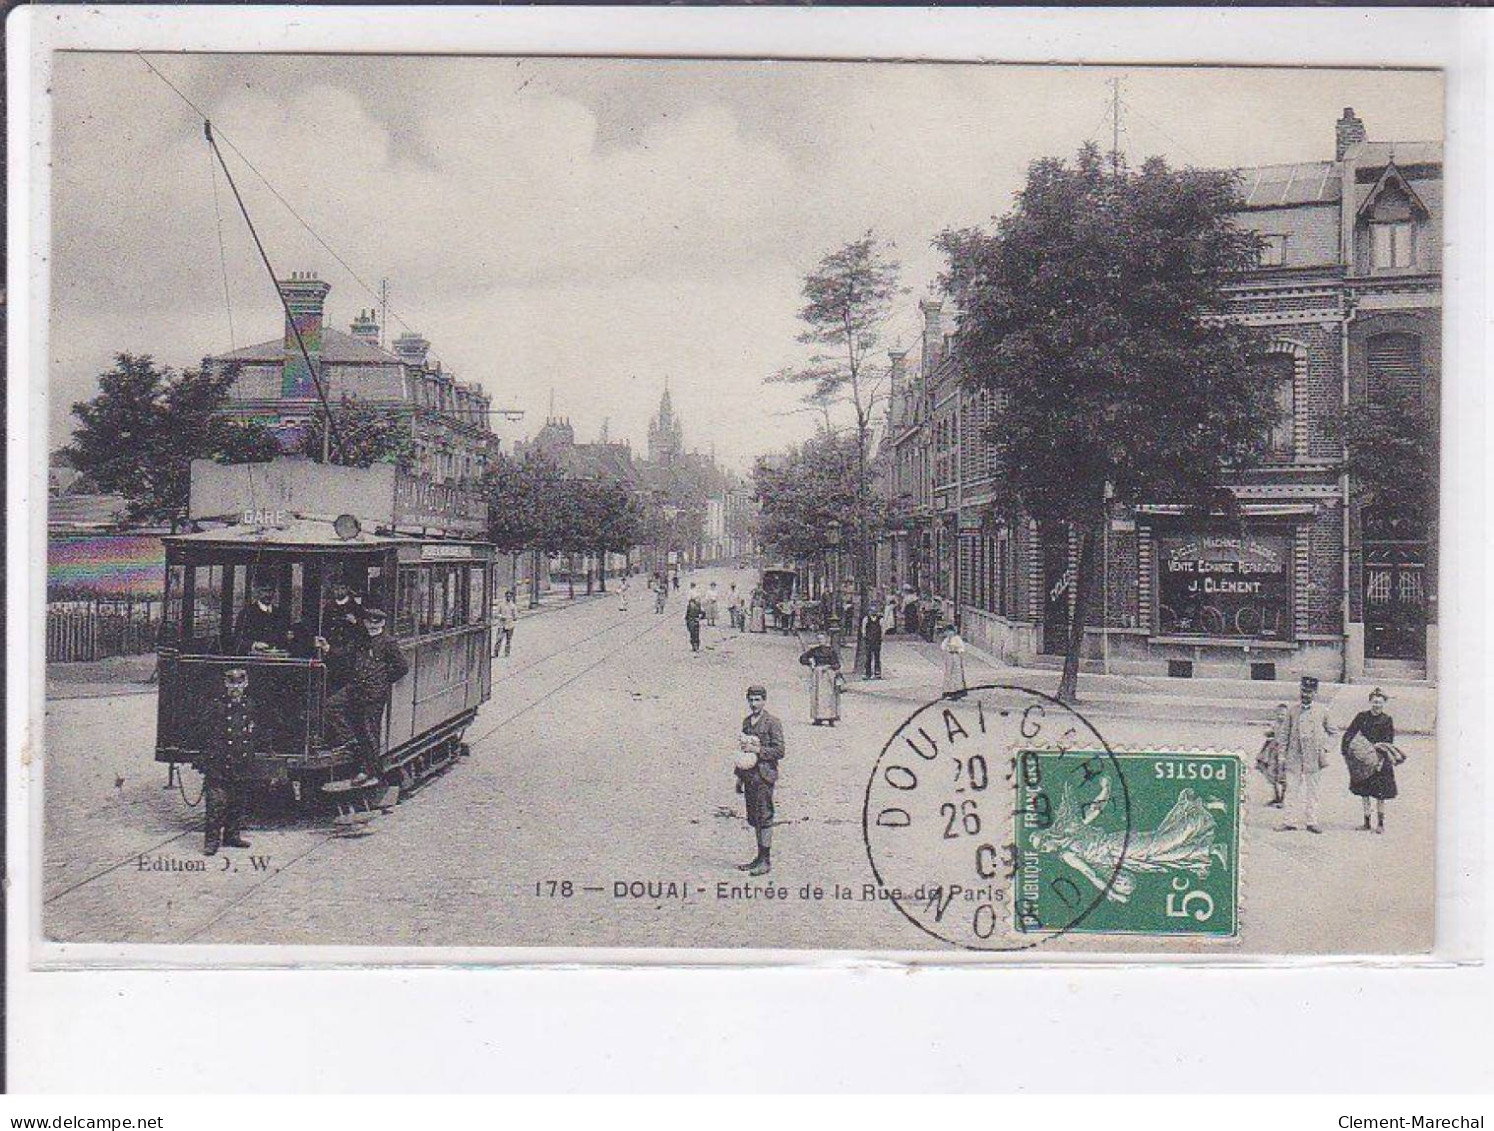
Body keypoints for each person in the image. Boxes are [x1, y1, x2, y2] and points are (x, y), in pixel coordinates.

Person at [337, 607, 409, 786]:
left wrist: (382, 681)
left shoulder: (388, 642)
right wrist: (327, 647)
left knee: (369, 730)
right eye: (369, 621)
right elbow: (345, 655)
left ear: (382, 623)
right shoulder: (361, 640)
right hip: (356, 690)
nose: (372, 625)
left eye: (376, 622)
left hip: (374, 694)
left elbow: (402, 667)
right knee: (333, 707)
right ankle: (351, 741)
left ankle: (370, 771)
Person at [199, 667, 256, 856]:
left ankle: (232, 835)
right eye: (232, 684)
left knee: (238, 800)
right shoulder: (217, 706)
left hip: (240, 761)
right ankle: (211, 841)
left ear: (246, 685)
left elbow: (253, 732)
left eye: (239, 684)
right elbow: (204, 731)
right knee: (216, 803)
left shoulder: (249, 705)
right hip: (219, 762)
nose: (235, 688)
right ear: (225, 685)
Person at [736, 685, 786, 876]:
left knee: (764, 816)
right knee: (754, 816)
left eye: (758, 700)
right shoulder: (747, 722)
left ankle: (766, 860)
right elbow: (742, 749)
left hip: (764, 774)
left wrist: (759, 751)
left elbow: (780, 751)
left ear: (764, 701)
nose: (754, 704)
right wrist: (739, 777)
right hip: (749, 775)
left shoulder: (772, 722)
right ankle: (758, 857)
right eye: (751, 700)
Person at [1278, 675, 1334, 834]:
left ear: (1315, 693)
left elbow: (1334, 732)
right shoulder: (1292, 711)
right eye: (1303, 691)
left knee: (1313, 791)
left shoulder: (1322, 711)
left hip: (1313, 758)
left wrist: (1325, 749)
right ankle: (1289, 821)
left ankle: (1312, 821)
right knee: (1291, 790)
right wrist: (1282, 755)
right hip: (1294, 756)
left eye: (1309, 692)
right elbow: (1284, 734)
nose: (1305, 695)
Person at [1342, 688, 1401, 834]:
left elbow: (1389, 740)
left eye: (1380, 702)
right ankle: (1366, 822)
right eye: (1374, 702)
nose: (1377, 705)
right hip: (1363, 760)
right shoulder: (1361, 717)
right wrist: (1348, 750)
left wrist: (1380, 756)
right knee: (1365, 792)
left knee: (1380, 793)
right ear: (1370, 702)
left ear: (1384, 703)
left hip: (1380, 759)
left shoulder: (1387, 720)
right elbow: (1350, 733)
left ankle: (1380, 823)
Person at [233, 576, 291, 655]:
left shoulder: (281, 614)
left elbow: (285, 637)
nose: (268, 594)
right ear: (257, 592)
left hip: (278, 659)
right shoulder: (246, 613)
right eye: (264, 591)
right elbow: (237, 639)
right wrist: (255, 644)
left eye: (271, 591)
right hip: (253, 660)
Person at [799, 632, 843, 726]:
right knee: (817, 696)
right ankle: (818, 718)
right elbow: (802, 658)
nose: (820, 641)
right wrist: (810, 664)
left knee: (829, 696)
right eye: (818, 639)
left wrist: (829, 667)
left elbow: (837, 664)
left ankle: (831, 718)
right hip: (818, 674)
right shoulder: (814, 650)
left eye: (822, 639)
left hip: (828, 675)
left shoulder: (831, 651)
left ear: (826, 640)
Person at [1255, 703, 1290, 808]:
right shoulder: (1275, 726)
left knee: (1283, 776)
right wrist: (1262, 753)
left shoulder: (1289, 727)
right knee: (1271, 773)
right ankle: (1276, 796)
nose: (1280, 717)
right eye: (1278, 714)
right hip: (1273, 752)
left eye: (1283, 715)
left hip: (1283, 754)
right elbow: (1268, 740)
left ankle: (1283, 799)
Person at [941, 624, 968, 699]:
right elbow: (943, 647)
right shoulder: (946, 640)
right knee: (948, 674)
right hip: (949, 657)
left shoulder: (957, 639)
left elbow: (961, 648)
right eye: (947, 632)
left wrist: (955, 649)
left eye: (949, 632)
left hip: (955, 656)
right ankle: (948, 691)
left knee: (956, 674)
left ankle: (957, 691)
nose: (948, 634)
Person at [861, 608, 885, 679]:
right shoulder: (866, 619)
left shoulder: (880, 619)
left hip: (877, 640)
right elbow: (863, 629)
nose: (873, 612)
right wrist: (865, 637)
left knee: (877, 656)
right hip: (869, 640)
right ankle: (867, 673)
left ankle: (877, 673)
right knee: (868, 657)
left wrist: (881, 637)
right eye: (871, 611)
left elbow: (882, 629)